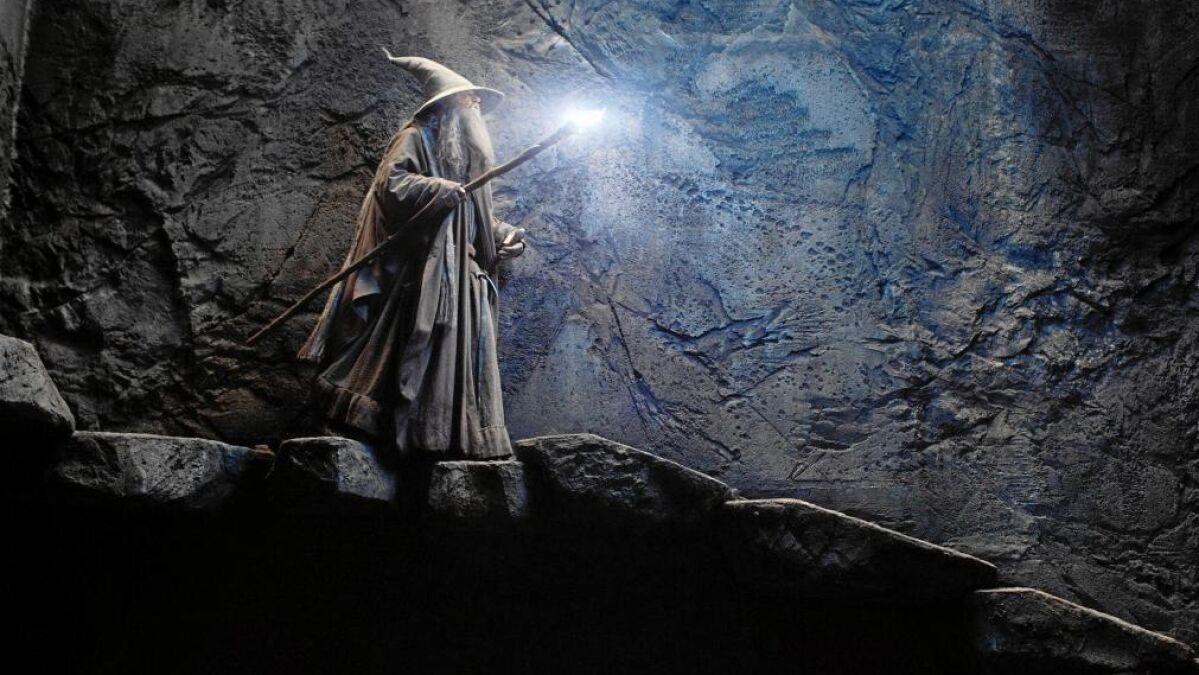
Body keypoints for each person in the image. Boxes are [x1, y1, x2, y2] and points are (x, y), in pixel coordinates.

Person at [297, 54, 525, 460]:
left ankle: (448, 437)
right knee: (396, 353)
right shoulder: (414, 138)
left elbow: (475, 214)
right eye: (469, 99)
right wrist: (439, 189)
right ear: (448, 105)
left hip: (464, 278)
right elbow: (392, 185)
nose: (476, 106)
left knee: (459, 365)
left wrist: (504, 235)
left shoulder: (467, 157)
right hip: (421, 274)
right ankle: (371, 421)